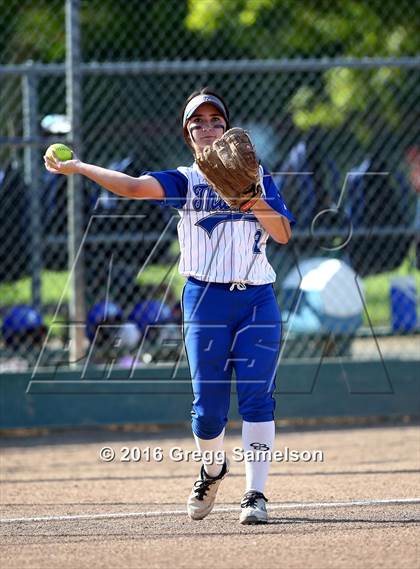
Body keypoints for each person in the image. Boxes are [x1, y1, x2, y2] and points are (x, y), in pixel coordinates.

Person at [44, 87, 295, 525]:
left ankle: (255, 494)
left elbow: (283, 235)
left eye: (216, 120)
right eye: (198, 122)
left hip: (257, 298)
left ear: (229, 130)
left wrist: (252, 197)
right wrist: (80, 166)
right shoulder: (186, 179)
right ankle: (213, 469)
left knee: (258, 399)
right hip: (205, 299)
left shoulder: (258, 175)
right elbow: (133, 187)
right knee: (208, 410)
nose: (208, 127)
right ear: (188, 134)